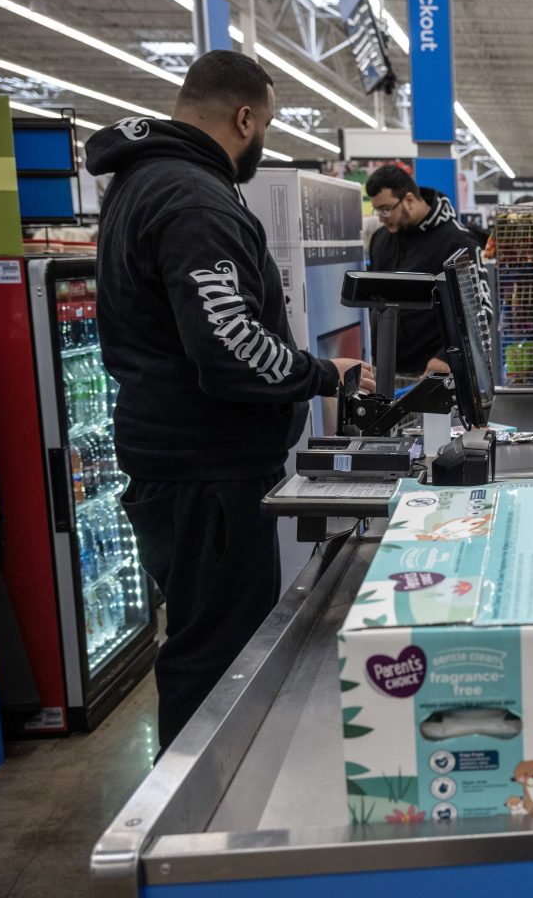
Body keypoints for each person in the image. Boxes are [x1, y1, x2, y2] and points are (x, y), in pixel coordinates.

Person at [87, 49, 375, 752]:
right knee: (215, 655)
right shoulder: (191, 198)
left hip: (186, 464)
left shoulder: (145, 182)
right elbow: (230, 348)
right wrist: (322, 374)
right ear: (244, 117)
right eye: (267, 124)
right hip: (206, 474)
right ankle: (195, 825)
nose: (264, 139)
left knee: (204, 636)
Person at [365, 165, 491, 381]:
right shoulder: (380, 240)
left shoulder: (457, 242)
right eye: (378, 211)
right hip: (383, 371)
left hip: (432, 374)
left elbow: (479, 311)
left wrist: (446, 358)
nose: (381, 217)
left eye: (386, 209)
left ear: (410, 200)